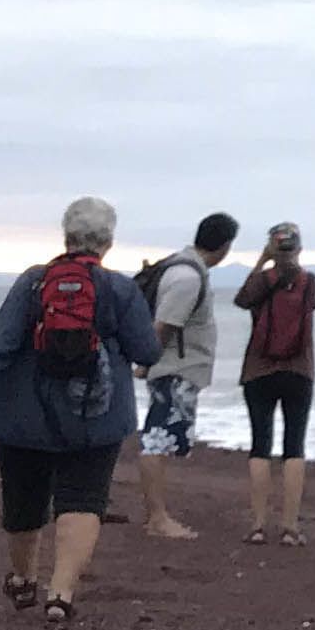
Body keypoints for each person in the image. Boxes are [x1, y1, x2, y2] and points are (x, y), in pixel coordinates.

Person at [0, 196, 158, 623]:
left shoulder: (33, 282)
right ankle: (61, 594)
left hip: (24, 414)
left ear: (66, 236)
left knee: (23, 501)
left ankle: (23, 578)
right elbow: (147, 351)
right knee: (83, 499)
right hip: (96, 417)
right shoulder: (120, 289)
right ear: (108, 242)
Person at [127, 210, 238, 541]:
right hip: (175, 371)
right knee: (157, 440)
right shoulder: (188, 277)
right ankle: (157, 518)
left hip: (174, 369)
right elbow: (164, 326)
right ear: (225, 246)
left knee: (160, 440)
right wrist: (146, 362)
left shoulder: (182, 268)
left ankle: (157, 515)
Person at [234, 222, 315, 545]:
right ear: (299, 248)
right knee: (294, 446)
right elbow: (313, 303)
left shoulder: (261, 281)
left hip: (258, 370)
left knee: (260, 445)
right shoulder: (309, 281)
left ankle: (258, 525)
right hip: (299, 369)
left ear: (272, 248)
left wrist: (262, 261)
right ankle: (290, 527)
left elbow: (242, 299)